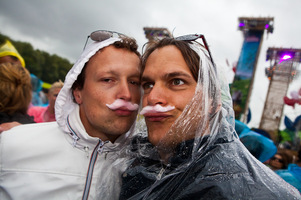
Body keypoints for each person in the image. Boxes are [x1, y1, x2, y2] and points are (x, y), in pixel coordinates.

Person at [118, 35, 301, 199]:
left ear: (214, 101)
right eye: (148, 84)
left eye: (177, 81)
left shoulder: (252, 191)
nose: (152, 97)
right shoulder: (129, 166)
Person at [0, 30, 141, 200]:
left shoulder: (144, 165)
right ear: (77, 93)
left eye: (134, 82)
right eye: (108, 79)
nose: (126, 94)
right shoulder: (12, 145)